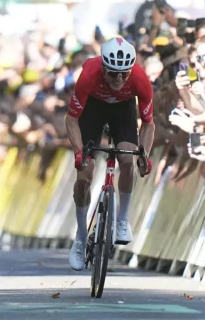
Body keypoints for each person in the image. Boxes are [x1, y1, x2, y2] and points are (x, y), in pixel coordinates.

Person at [64, 37, 155, 271]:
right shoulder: (88, 76)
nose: (119, 79)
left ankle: (122, 219)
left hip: (123, 111)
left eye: (124, 74)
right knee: (84, 175)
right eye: (113, 73)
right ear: (104, 67)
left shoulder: (140, 79)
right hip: (93, 109)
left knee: (128, 159)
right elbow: (72, 119)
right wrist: (78, 153)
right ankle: (81, 237)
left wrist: (144, 154)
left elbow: (148, 124)